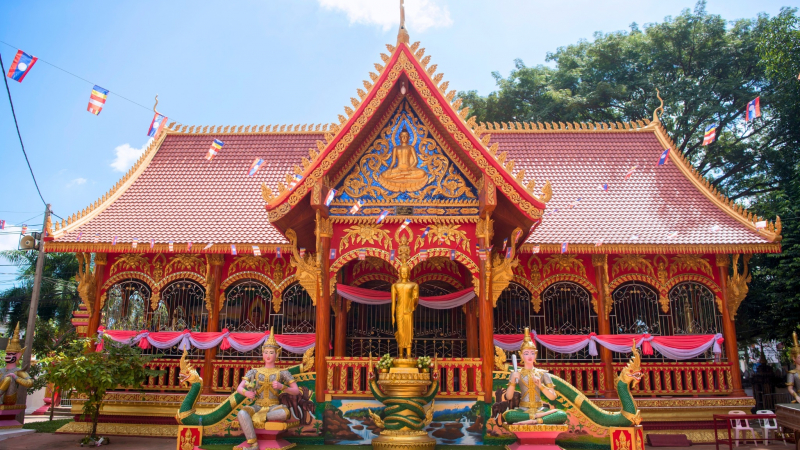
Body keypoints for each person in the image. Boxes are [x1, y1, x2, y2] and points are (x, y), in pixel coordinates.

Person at [234, 327, 300, 450]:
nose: (268, 355)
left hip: (274, 407)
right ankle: (253, 443)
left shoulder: (282, 373)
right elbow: (239, 388)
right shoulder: (254, 371)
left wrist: (282, 387)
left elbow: (296, 391)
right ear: (262, 353)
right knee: (242, 413)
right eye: (266, 352)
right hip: (257, 405)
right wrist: (246, 393)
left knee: (284, 412)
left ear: (277, 354)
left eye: (271, 352)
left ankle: (261, 417)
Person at [502, 328, 568, 425]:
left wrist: (541, 386)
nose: (530, 356)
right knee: (509, 415)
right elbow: (509, 397)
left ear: (536, 355)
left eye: (532, 353)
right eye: (526, 353)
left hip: (540, 409)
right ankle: (537, 418)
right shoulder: (516, 373)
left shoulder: (542, 373)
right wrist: (512, 381)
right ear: (521, 355)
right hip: (523, 410)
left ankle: (535, 420)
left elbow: (552, 397)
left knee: (562, 415)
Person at [0, 323, 34, 405]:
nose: (8, 356)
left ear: (18, 355)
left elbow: (30, 383)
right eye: (7, 354)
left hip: (9, 398)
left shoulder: (18, 371)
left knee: (9, 378)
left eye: (11, 354)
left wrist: (15, 377)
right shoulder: (1, 370)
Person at [786, 332, 800, 403]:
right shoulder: (792, 373)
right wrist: (796, 396)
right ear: (794, 358)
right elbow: (790, 388)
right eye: (799, 357)